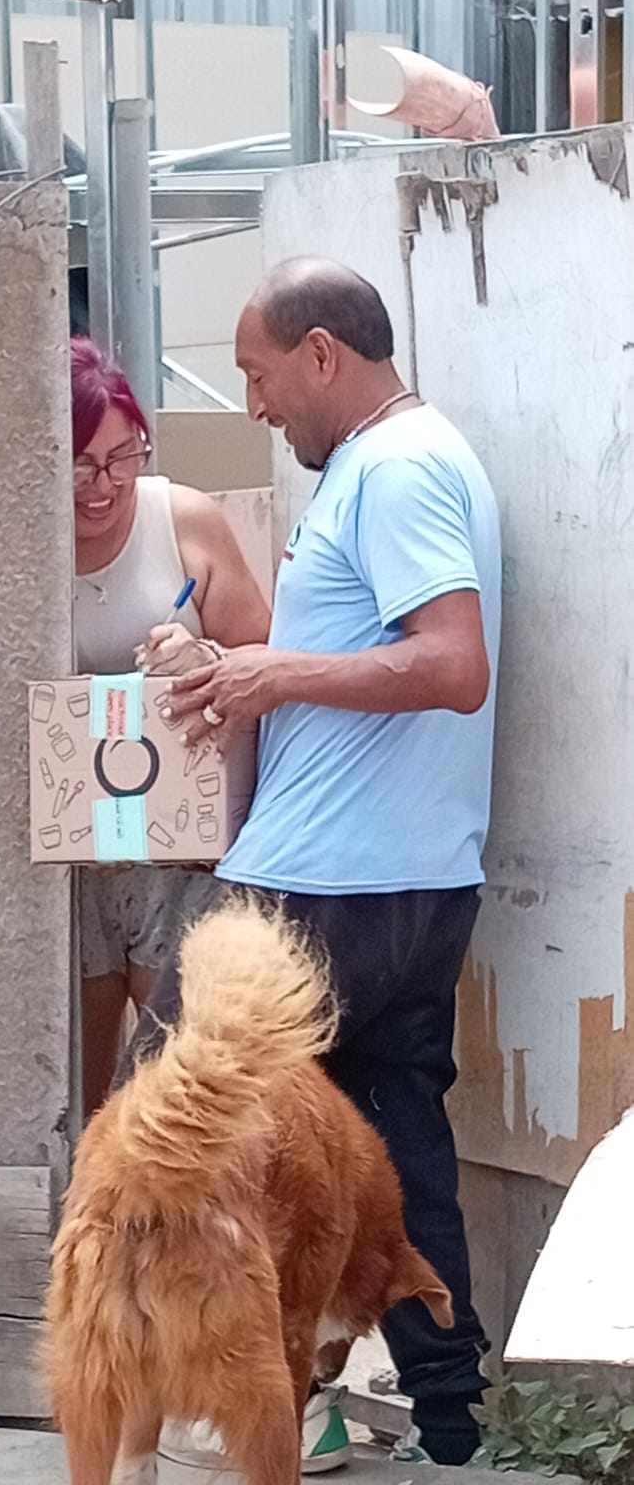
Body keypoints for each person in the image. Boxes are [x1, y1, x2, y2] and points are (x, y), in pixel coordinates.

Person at [131, 258, 501, 1470]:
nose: (252, 403)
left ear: (323, 353)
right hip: (412, 880)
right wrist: (227, 669)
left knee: (165, 1123)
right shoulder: (406, 460)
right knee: (392, 1154)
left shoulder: (394, 470)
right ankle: (452, 1422)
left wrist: (273, 671)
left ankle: (176, 1401)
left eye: (258, 374)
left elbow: (453, 663)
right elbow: (361, 662)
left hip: (316, 893)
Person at [70, 336, 269, 1118]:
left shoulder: (183, 518)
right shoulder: (15, 540)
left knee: (172, 1103)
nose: (105, 484)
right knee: (74, 1101)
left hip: (181, 857)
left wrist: (206, 658)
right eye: (80, 466)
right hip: (68, 864)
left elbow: (268, 661)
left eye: (124, 456)